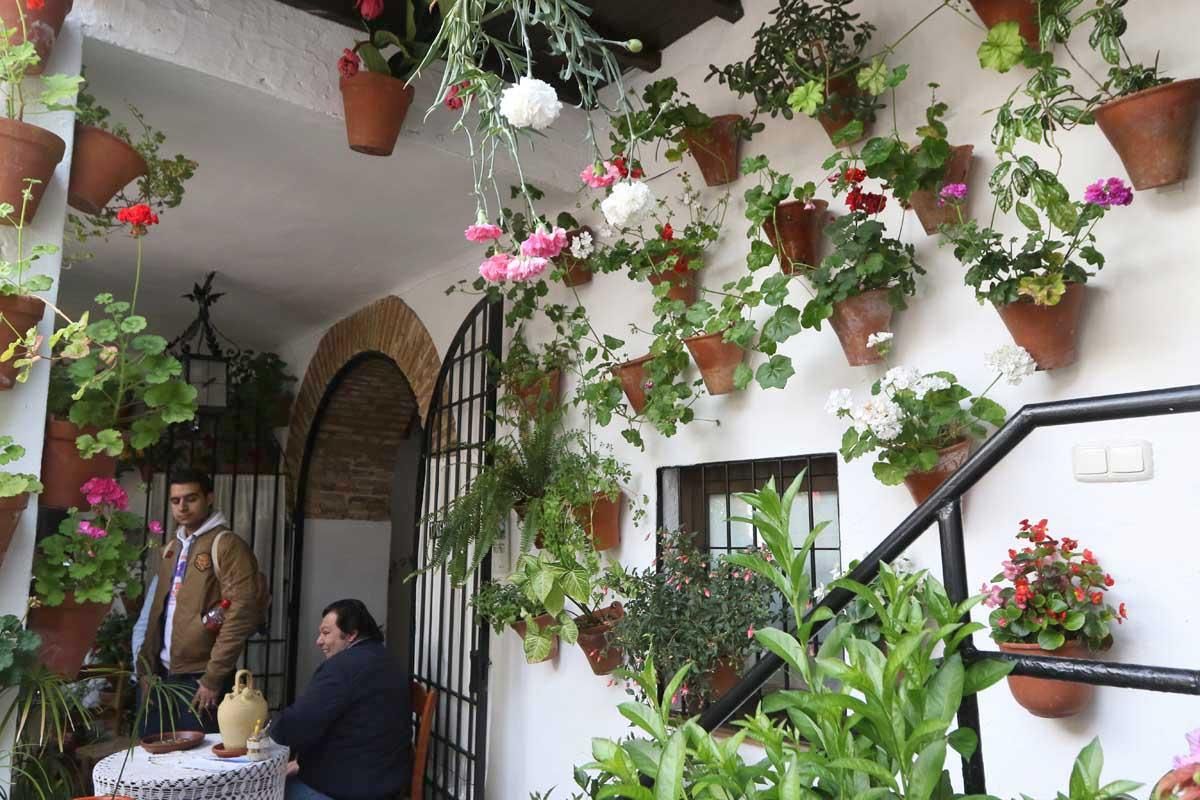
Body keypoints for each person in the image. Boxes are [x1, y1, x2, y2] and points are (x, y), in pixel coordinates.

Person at [137, 467, 262, 735]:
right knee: (156, 765)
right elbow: (155, 613)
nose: (182, 507)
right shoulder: (172, 547)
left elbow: (240, 615)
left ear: (209, 498)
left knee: (197, 768)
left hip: (200, 681)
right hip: (161, 676)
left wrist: (213, 678)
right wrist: (145, 668)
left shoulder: (226, 545)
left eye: (190, 498)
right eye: (175, 500)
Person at [272, 599, 413, 800]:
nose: (318, 640)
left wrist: (271, 726)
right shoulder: (390, 660)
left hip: (347, 788)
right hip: (387, 781)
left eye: (326, 633)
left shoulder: (341, 668)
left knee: (263, 787)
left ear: (351, 634)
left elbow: (291, 728)